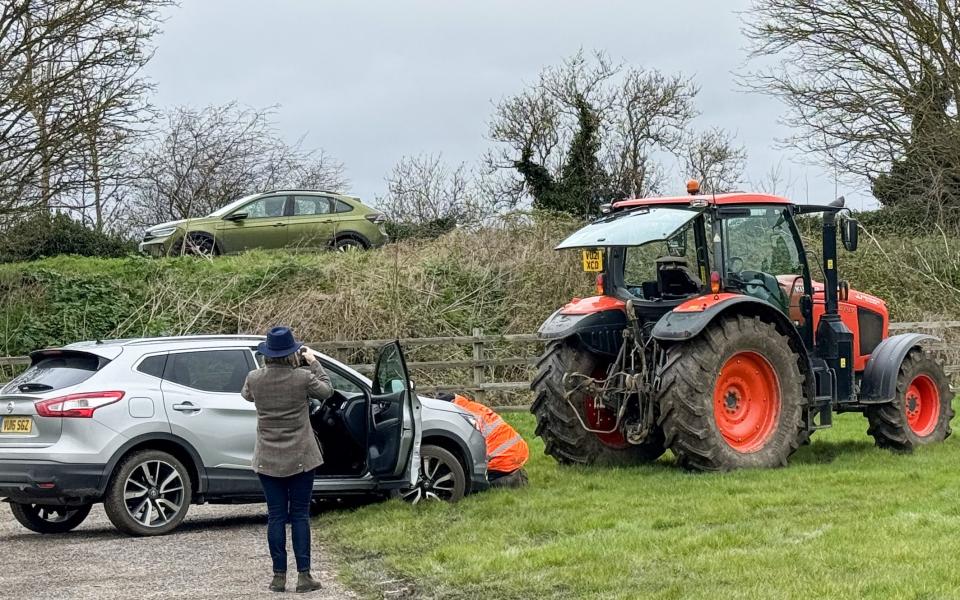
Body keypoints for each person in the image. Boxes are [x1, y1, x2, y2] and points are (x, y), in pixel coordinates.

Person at [241, 326, 333, 594]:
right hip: (301, 456)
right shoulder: (303, 377)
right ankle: (304, 577)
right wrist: (314, 362)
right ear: (292, 352)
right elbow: (327, 391)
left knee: (276, 517)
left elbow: (246, 395)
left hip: (268, 458)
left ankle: (278, 577)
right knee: (300, 516)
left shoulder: (254, 378)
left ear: (267, 353)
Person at [438, 393, 529, 488]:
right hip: (517, 451)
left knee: (469, 481)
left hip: (503, 458)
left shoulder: (462, 415)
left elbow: (470, 448)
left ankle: (507, 480)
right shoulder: (471, 407)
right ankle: (514, 476)